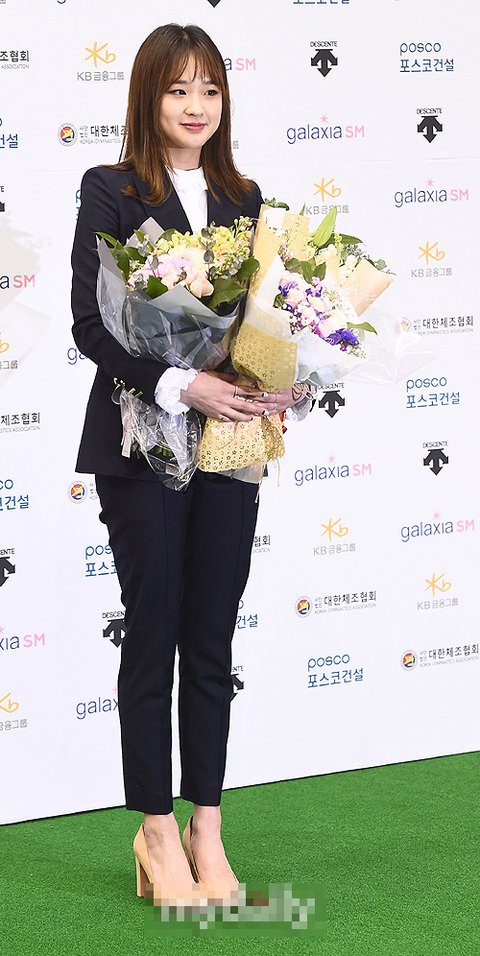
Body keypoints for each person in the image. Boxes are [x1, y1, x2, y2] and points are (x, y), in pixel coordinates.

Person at [71, 22, 307, 904]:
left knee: (211, 633)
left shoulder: (246, 198)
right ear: (149, 96)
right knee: (155, 628)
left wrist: (282, 375)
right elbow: (92, 325)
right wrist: (183, 384)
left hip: (230, 447)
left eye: (209, 88)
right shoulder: (110, 189)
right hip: (141, 443)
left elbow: (262, 324)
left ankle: (207, 824)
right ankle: (155, 829)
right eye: (178, 89)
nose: (196, 105)